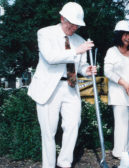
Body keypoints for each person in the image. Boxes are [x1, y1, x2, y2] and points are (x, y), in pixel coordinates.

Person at [27, 2, 96, 168]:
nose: (74, 28)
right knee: (49, 132)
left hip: (71, 87)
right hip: (49, 88)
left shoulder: (79, 40)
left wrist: (87, 69)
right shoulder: (45, 33)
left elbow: (80, 65)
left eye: (77, 25)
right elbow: (50, 57)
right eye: (72, 24)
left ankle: (64, 163)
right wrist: (76, 51)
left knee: (73, 124)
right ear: (62, 18)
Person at [104, 20, 129, 159]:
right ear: (118, 35)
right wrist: (124, 83)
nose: (128, 38)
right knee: (121, 125)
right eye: (125, 35)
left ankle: (127, 151)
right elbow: (107, 71)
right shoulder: (112, 51)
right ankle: (118, 152)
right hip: (118, 93)